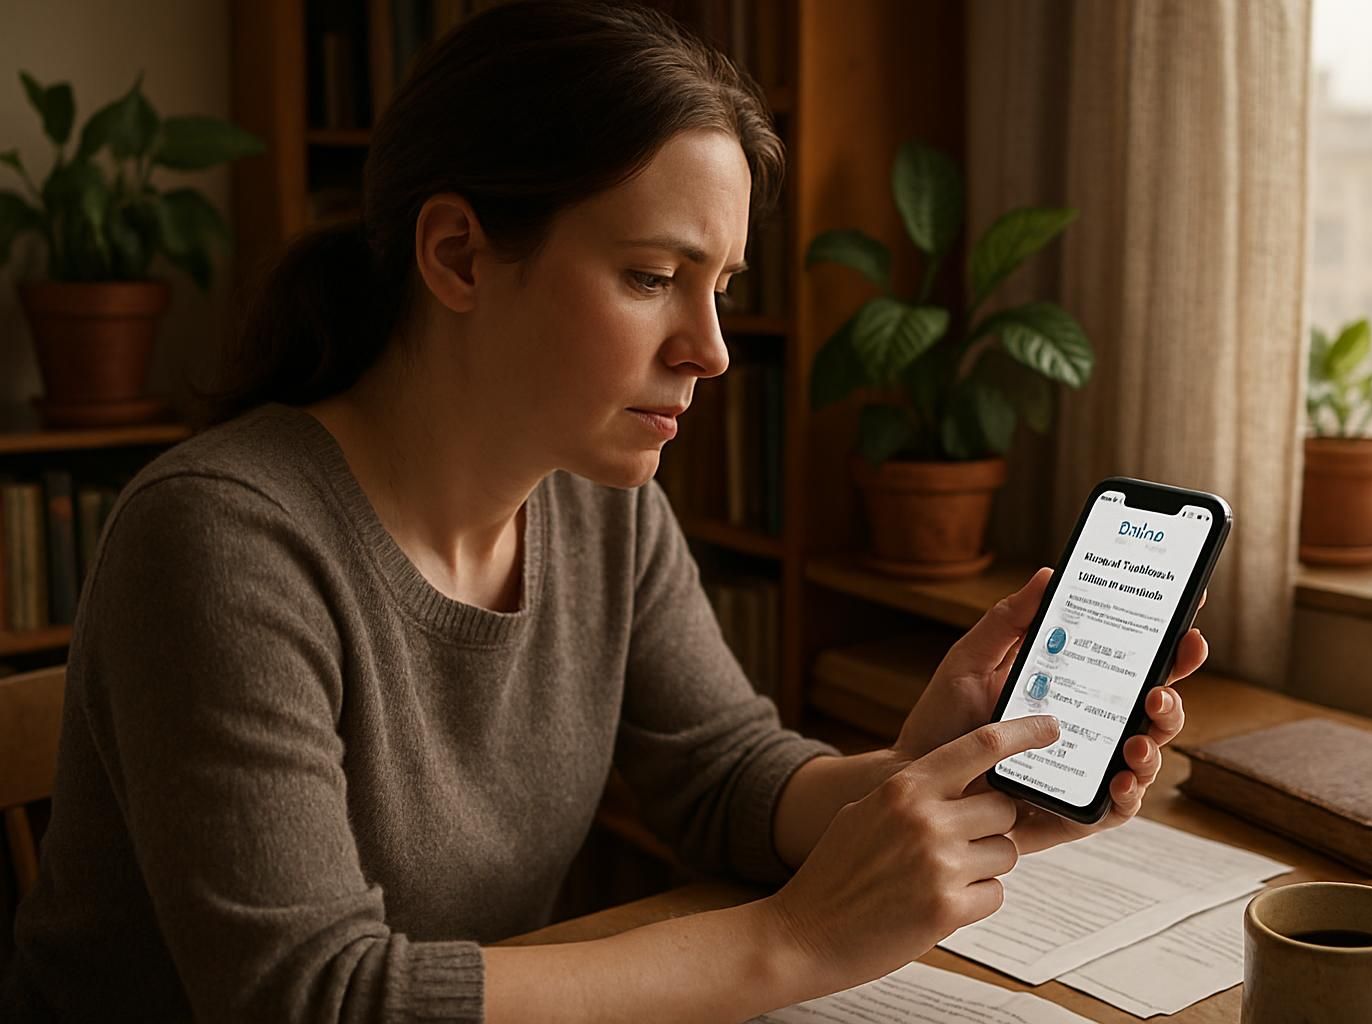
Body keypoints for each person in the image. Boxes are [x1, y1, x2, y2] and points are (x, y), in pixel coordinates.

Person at [1, 2, 1206, 1021]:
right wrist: (792, 942)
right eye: (652, 277)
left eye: (720, 288)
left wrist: (919, 776)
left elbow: (723, 774)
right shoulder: (221, 538)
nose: (712, 350)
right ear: (459, 255)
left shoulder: (596, 502)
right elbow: (312, 995)